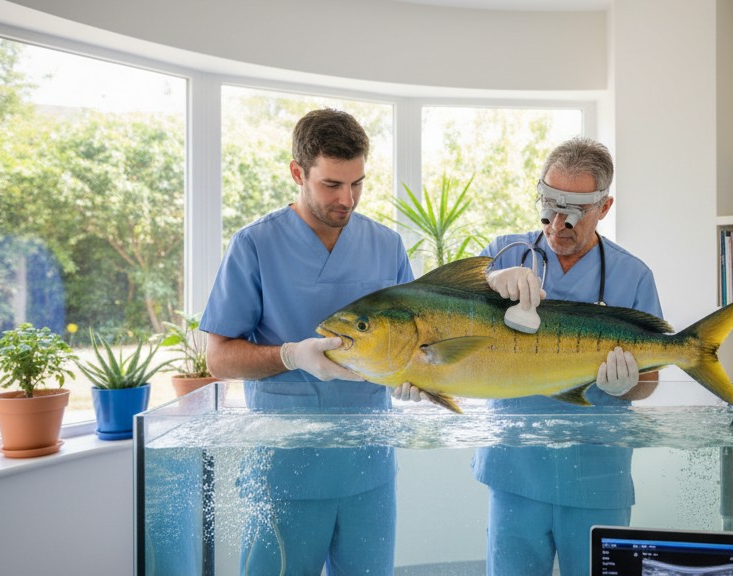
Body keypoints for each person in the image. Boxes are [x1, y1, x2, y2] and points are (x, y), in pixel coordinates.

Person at [394, 136, 662, 576]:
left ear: (604, 207)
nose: (558, 224)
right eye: (549, 206)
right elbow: (440, 328)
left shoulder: (633, 276)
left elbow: (649, 381)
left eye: (574, 213)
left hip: (596, 475)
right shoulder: (504, 252)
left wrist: (627, 383)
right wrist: (417, 373)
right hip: (514, 470)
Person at [201, 108, 414, 575]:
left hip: (368, 468)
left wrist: (416, 375)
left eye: (357, 182)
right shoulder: (255, 245)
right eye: (331, 185)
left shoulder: (387, 247)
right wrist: (290, 355)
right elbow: (218, 357)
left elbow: (415, 344)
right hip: (284, 472)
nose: (348, 199)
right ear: (298, 173)